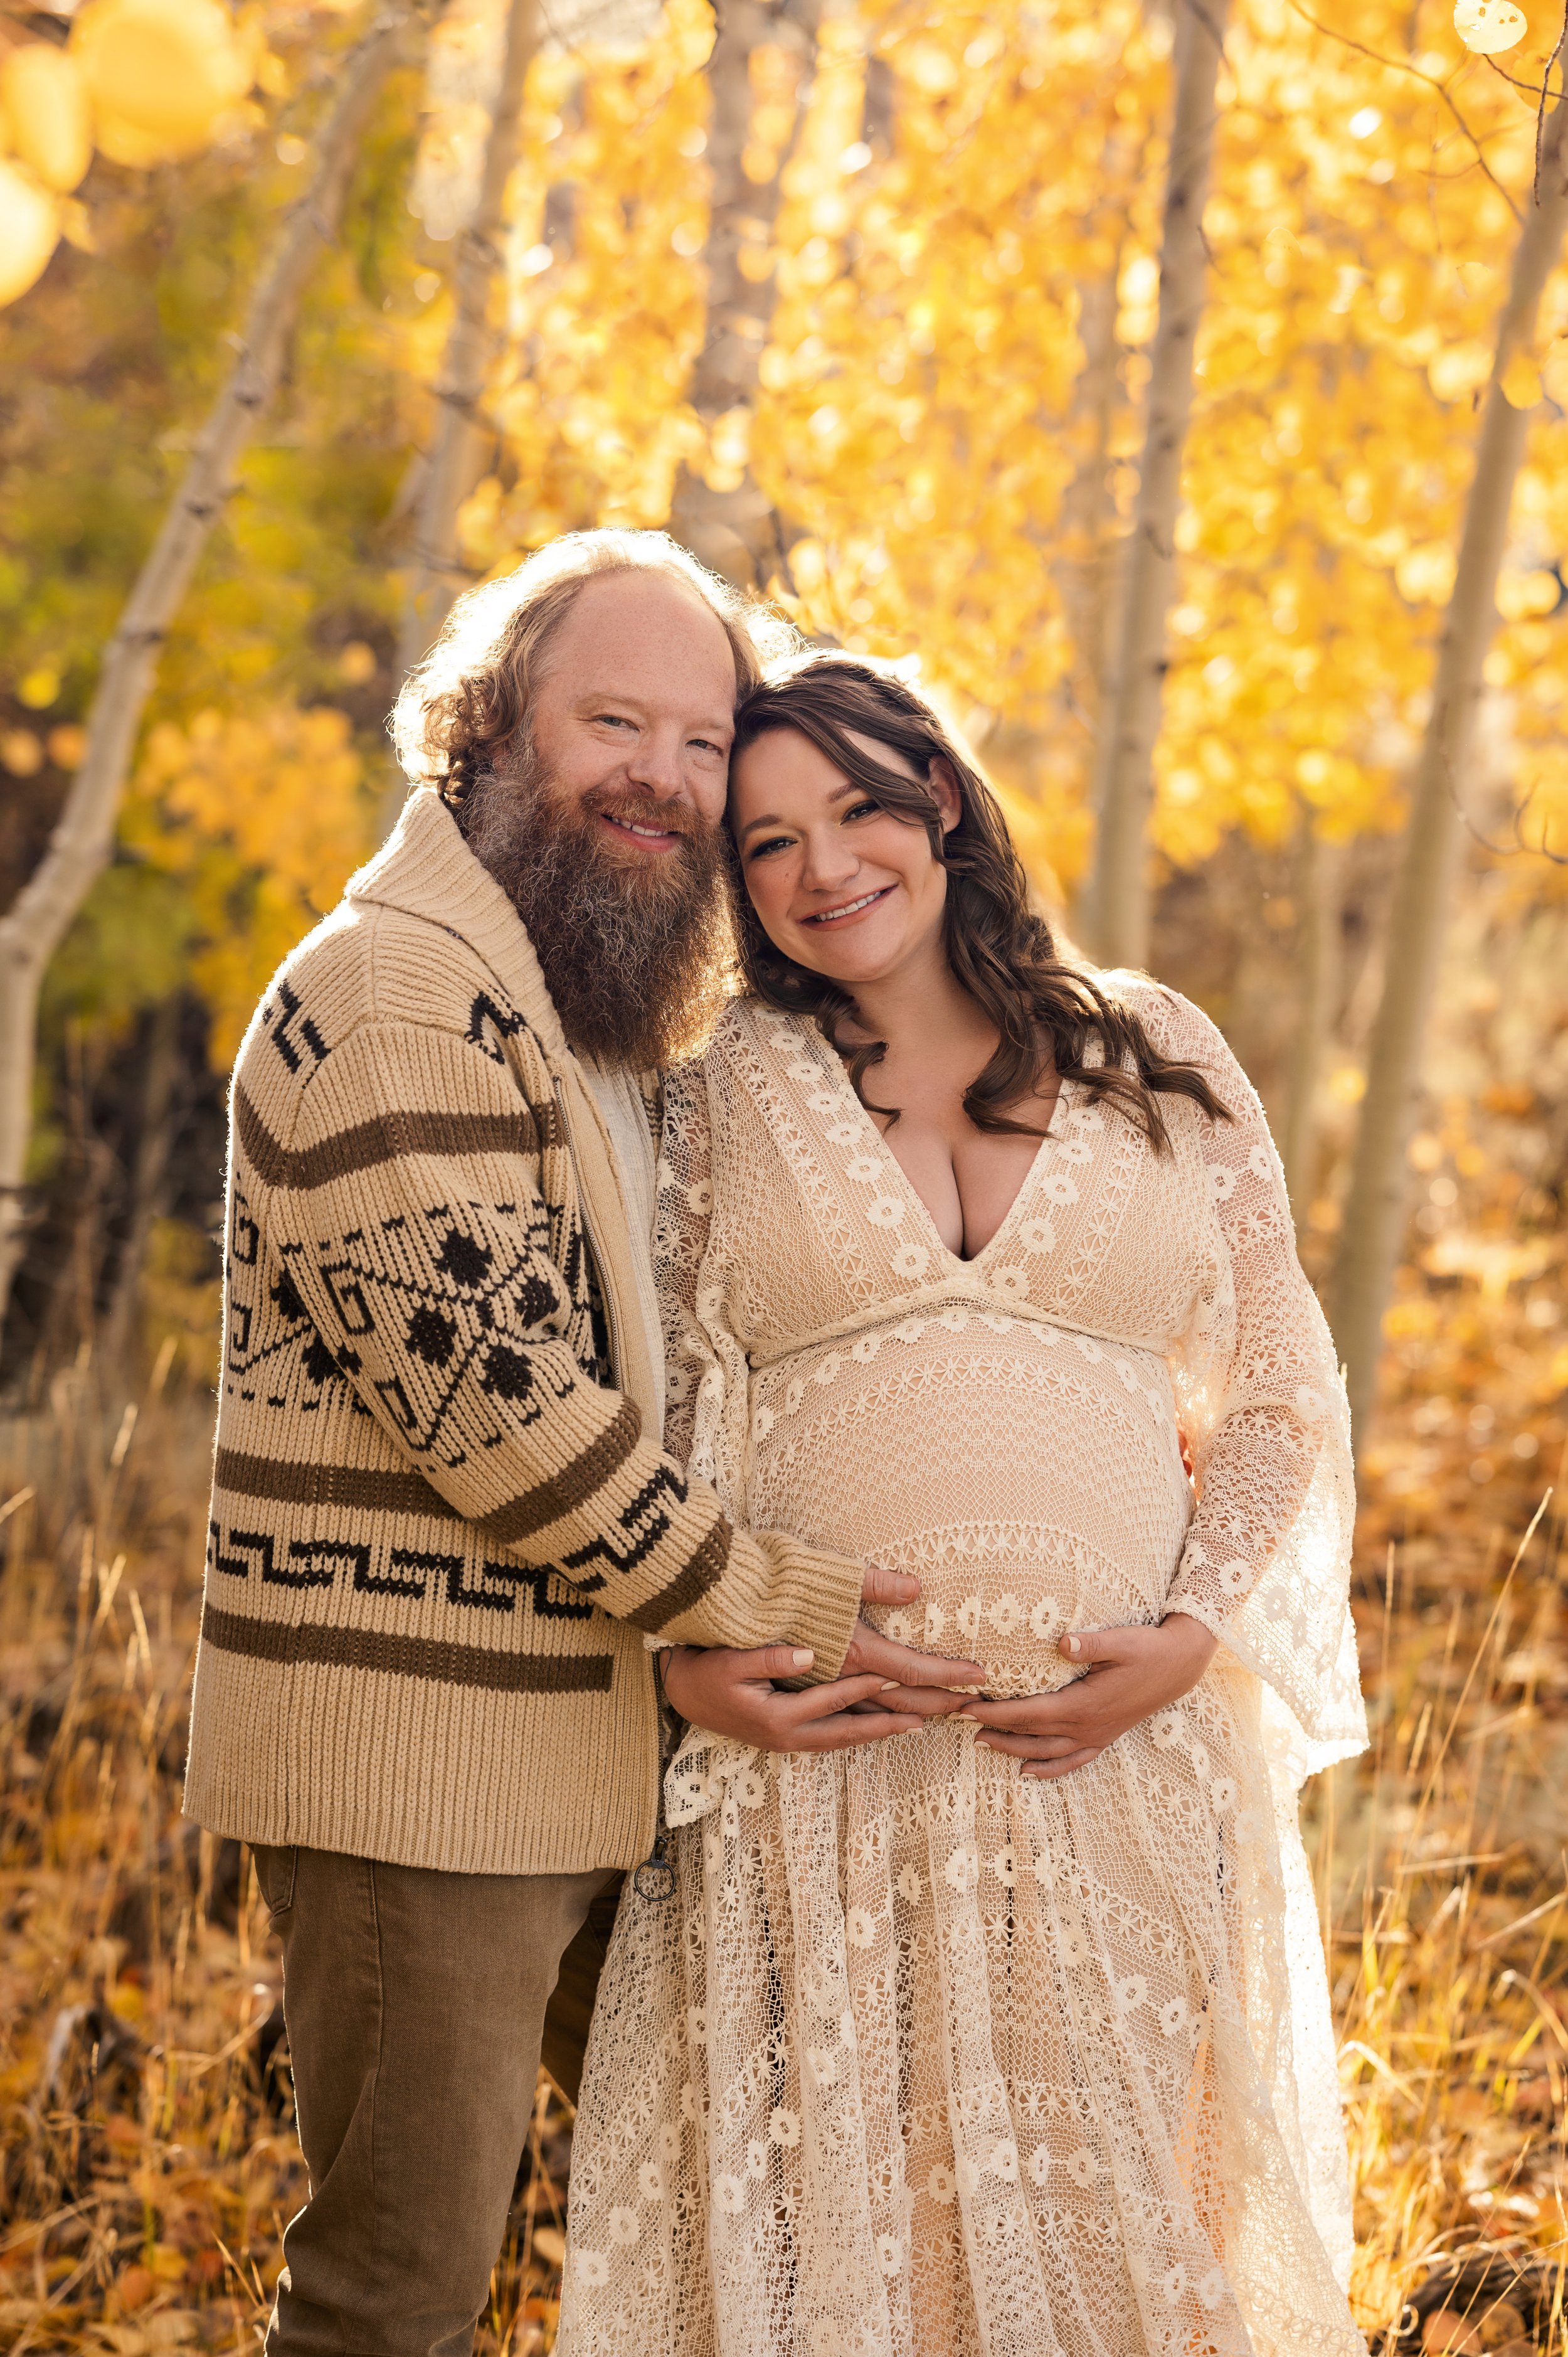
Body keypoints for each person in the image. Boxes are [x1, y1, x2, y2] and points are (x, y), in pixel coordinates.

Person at [182, 533, 985, 2357]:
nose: (663, 778)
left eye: (703, 744)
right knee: (393, 2304)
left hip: (592, 1751)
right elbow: (508, 1416)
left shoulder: (585, 1011)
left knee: (761, 2203)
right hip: (416, 1773)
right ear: (483, 727)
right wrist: (777, 1602)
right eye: (609, 720)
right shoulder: (392, 998)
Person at [558, 653, 1370, 2357]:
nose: (820, 866)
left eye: (858, 807)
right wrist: (691, 1669)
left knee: (1138, 2225)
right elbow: (660, 1417)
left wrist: (1190, 1634)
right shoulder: (707, 1091)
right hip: (822, 1782)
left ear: (938, 801)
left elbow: (1277, 1385)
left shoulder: (1149, 1047)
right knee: (852, 2247)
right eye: (765, 839)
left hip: (1115, 1768)